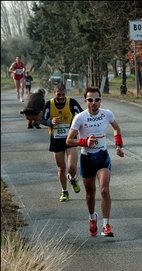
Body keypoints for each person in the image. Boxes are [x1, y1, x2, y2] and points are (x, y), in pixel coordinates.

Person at [66, 86, 124, 237]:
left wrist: (118, 146)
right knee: (90, 194)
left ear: (100, 100)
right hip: (87, 159)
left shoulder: (107, 114)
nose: (94, 102)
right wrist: (84, 142)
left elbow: (116, 128)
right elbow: (69, 140)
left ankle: (106, 225)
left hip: (103, 156)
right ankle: (92, 217)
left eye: (97, 99)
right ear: (85, 101)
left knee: (104, 190)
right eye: (90, 100)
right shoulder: (79, 118)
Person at [40, 82, 83, 201]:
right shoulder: (49, 104)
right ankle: (64, 191)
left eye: (63, 94)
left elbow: (82, 115)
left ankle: (72, 178)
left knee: (72, 166)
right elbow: (42, 120)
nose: (61, 97)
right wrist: (51, 122)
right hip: (56, 140)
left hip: (70, 139)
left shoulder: (72, 102)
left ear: (65, 93)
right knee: (61, 168)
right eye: (58, 94)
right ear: (54, 93)